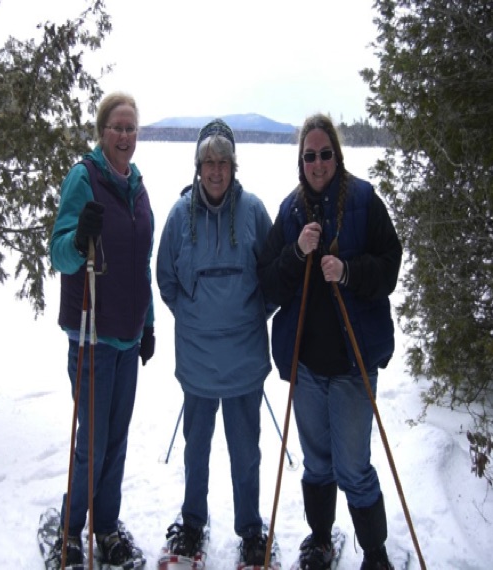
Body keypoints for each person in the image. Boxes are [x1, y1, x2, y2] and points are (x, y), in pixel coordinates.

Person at [257, 113, 402, 570]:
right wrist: (297, 251)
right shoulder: (290, 211)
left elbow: (390, 267)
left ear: (337, 155)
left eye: (325, 154)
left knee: (354, 468)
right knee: (317, 463)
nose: (317, 163)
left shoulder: (363, 200)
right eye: (309, 156)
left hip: (352, 366)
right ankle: (320, 539)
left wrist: (349, 271)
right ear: (300, 161)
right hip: (307, 364)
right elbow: (269, 286)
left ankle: (374, 553)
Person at [156, 119, 275, 566]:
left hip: (244, 360)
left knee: (246, 453)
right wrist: (191, 317)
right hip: (197, 363)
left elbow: (272, 275)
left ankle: (250, 531)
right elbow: (166, 278)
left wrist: (249, 318)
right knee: (197, 450)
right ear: (198, 166)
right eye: (209, 162)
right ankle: (192, 525)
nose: (216, 170)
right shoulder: (177, 217)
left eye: (224, 162)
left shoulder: (255, 212)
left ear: (234, 166)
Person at [48, 92, 155, 568]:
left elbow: (141, 264)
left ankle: (106, 526)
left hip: (127, 337)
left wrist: (148, 323)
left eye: (131, 128)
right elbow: (60, 255)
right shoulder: (83, 178)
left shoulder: (138, 186)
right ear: (102, 131)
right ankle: (71, 529)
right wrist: (78, 235)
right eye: (118, 127)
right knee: (93, 441)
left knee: (117, 439)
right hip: (90, 334)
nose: (125, 136)